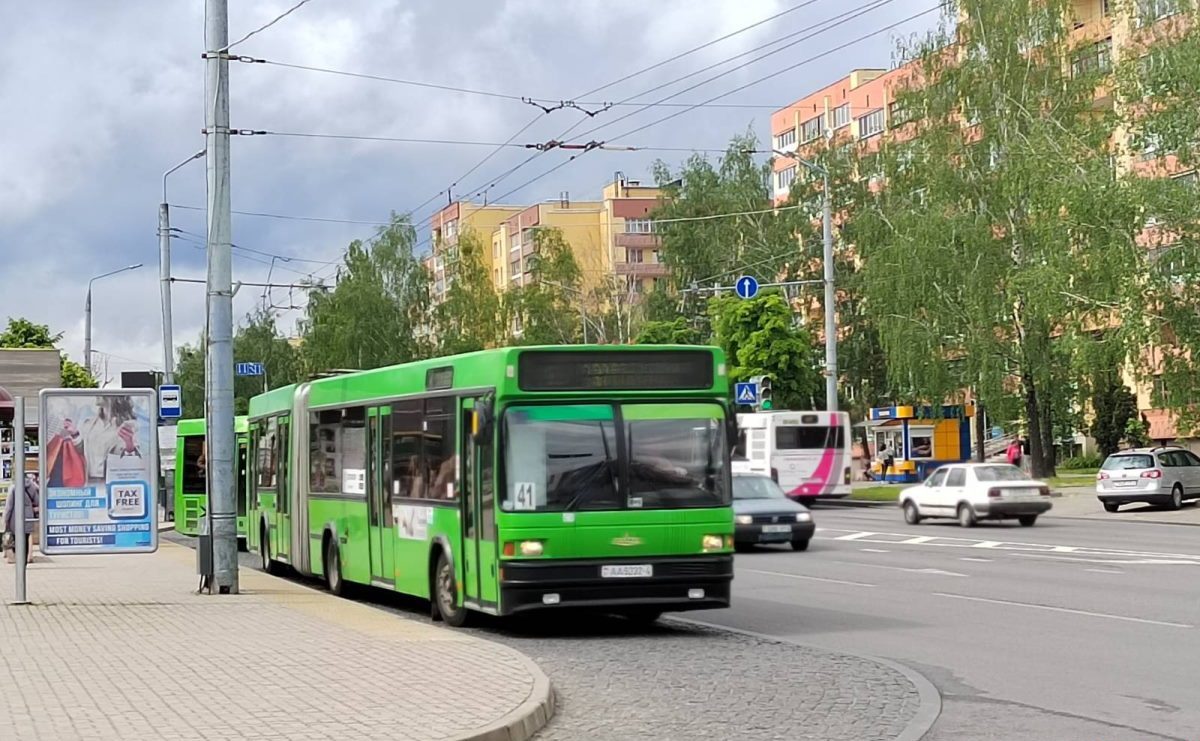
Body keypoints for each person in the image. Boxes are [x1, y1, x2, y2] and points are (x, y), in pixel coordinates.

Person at [59, 396, 139, 485]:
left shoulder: (128, 425)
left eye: (102, 393)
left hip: (113, 483)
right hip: (88, 483)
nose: (97, 395)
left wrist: (129, 444)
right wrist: (74, 434)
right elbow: (84, 452)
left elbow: (132, 461)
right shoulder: (89, 423)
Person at [3, 473, 39, 564]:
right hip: (28, 518)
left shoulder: (13, 488)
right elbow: (37, 501)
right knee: (26, 538)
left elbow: (9, 507)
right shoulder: (32, 487)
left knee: (16, 539)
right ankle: (24, 560)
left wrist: (5, 519)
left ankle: (18, 561)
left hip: (15, 519)